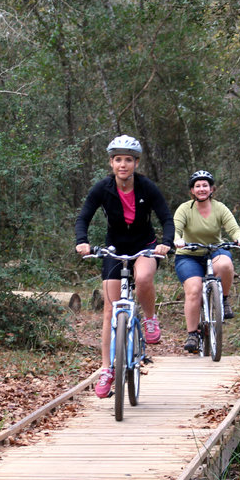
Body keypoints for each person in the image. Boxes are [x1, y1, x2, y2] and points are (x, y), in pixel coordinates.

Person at [75, 135, 174, 398]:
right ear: (111, 162)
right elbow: (84, 215)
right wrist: (82, 242)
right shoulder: (102, 188)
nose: (123, 164)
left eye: (128, 160)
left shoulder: (146, 187)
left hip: (145, 245)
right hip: (114, 248)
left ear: (136, 163)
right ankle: (107, 369)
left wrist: (166, 243)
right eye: (118, 159)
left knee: (142, 278)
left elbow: (166, 217)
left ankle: (150, 319)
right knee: (110, 310)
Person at [173, 170, 240, 353]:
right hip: (188, 254)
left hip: (215, 250)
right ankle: (193, 333)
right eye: (197, 186)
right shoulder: (185, 209)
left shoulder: (220, 208)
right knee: (194, 290)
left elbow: (234, 228)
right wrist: (177, 239)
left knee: (224, 264)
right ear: (192, 190)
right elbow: (176, 228)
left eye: (205, 185)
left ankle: (223, 299)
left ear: (211, 188)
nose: (201, 189)